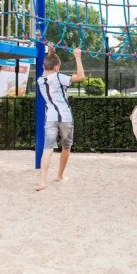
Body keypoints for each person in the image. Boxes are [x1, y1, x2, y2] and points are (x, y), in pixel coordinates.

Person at [36, 45, 85, 191]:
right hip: (65, 117)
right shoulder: (59, 76)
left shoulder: (41, 80)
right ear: (57, 68)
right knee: (66, 146)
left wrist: (50, 54)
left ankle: (42, 182)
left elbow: (47, 67)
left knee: (47, 148)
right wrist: (77, 57)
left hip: (50, 118)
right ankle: (60, 176)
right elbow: (81, 77)